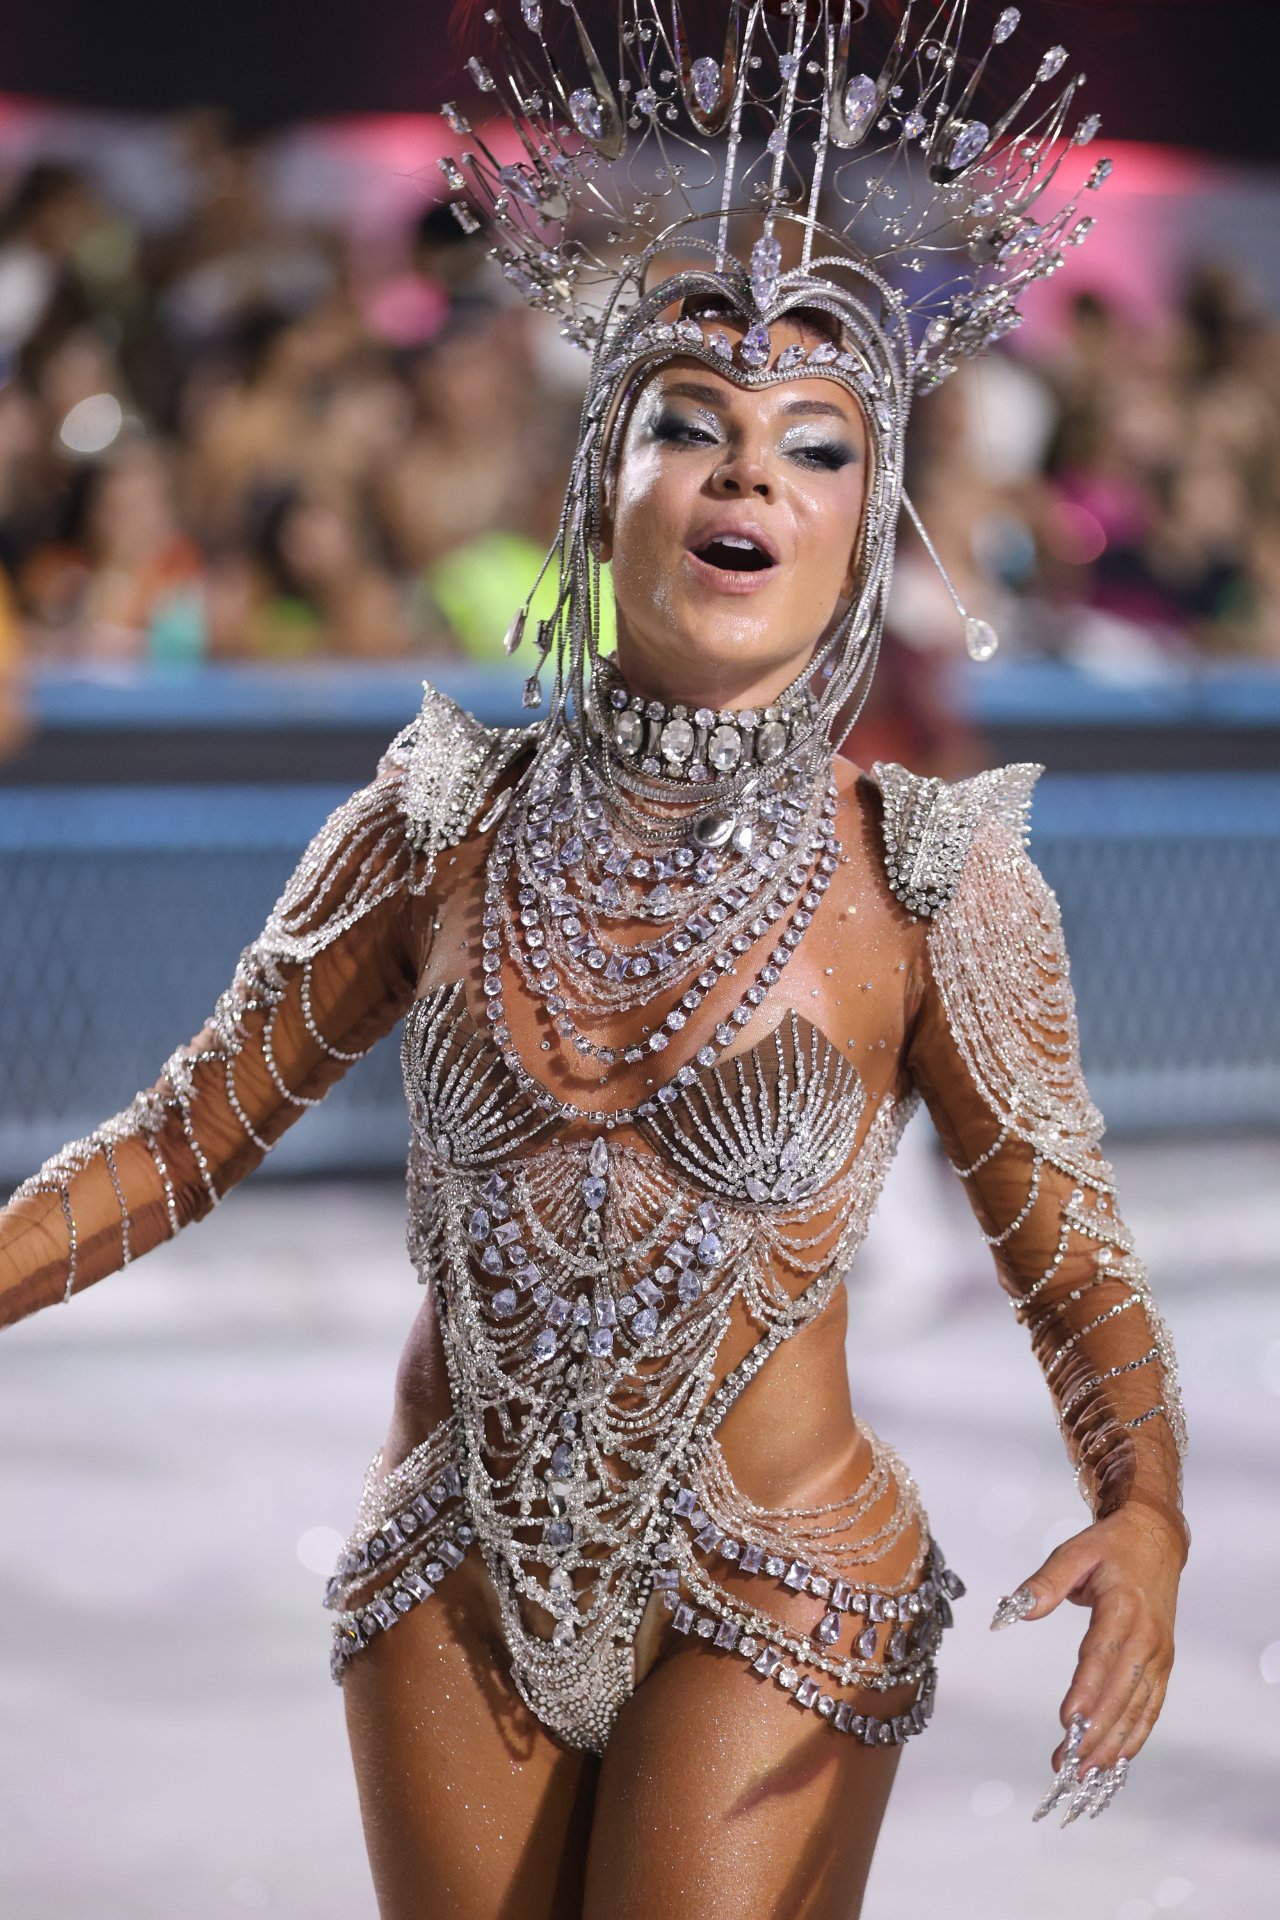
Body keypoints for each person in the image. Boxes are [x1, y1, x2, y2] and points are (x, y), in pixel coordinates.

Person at [0, 5, 1190, 1916]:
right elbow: (176, 1143)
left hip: (784, 1583)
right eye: (688, 427)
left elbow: (1072, 1258)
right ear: (601, 484)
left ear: (863, 523)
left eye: (815, 449)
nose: (748, 477)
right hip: (454, 1568)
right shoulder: (439, 821)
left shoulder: (929, 877)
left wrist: (1148, 1510)